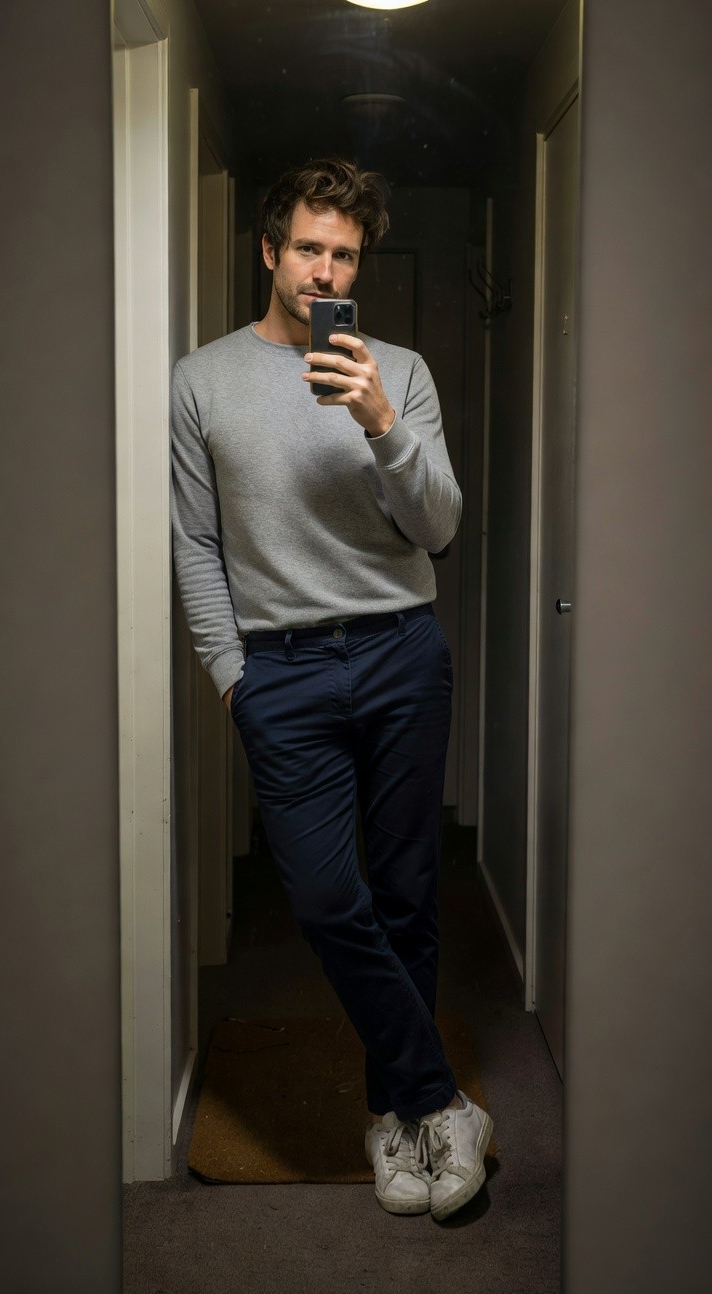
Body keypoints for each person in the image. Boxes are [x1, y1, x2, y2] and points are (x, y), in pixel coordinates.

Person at [170, 158, 493, 1221]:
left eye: (344, 254)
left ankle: (398, 1120)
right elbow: (198, 547)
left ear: (363, 263)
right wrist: (234, 681)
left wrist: (381, 421)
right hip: (285, 672)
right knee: (324, 897)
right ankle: (445, 1098)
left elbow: (438, 528)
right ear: (270, 251)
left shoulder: (395, 369)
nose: (323, 270)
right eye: (307, 247)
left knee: (405, 897)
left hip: (400, 652)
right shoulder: (202, 379)